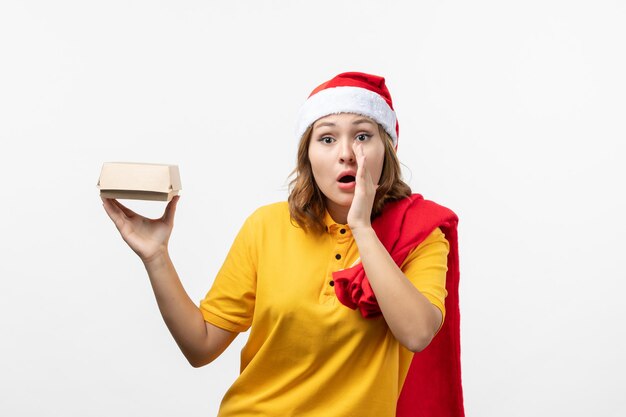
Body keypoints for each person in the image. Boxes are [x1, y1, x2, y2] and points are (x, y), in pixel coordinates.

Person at [102, 72, 464, 417]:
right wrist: (156, 256)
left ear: (387, 149)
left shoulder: (421, 234)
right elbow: (201, 345)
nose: (346, 153)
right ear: (307, 154)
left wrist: (361, 226)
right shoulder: (266, 227)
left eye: (363, 136)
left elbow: (417, 334)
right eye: (326, 138)